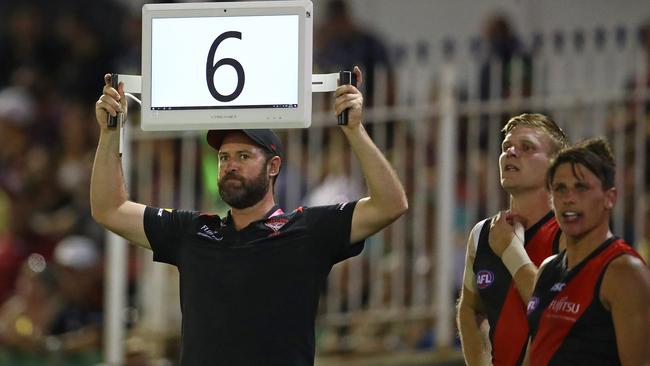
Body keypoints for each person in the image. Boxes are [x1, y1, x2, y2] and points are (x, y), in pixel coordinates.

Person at [91, 66, 408, 365]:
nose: (230, 164)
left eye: (244, 156)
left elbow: (391, 204)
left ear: (273, 167)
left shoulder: (307, 230)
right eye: (224, 157)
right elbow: (110, 209)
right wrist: (109, 133)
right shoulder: (192, 231)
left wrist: (354, 130)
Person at [524, 138, 650, 365]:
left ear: (609, 198)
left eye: (581, 187)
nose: (569, 199)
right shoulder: (547, 269)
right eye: (560, 189)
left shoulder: (625, 273)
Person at [456, 113, 569, 365]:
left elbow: (557, 314)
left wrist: (509, 251)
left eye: (527, 147)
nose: (511, 153)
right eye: (506, 147)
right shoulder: (482, 233)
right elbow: (470, 309)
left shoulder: (568, 234)